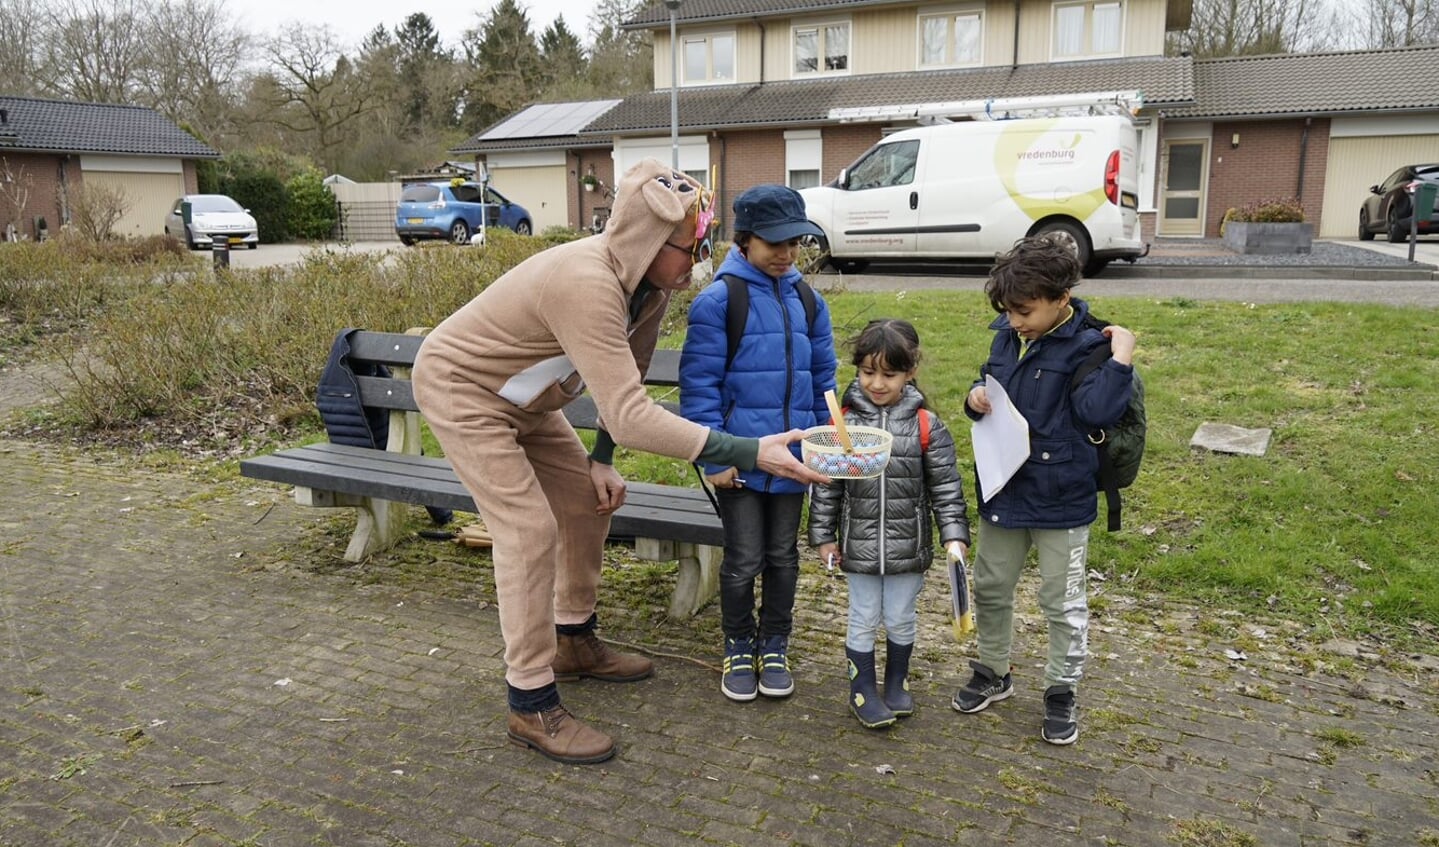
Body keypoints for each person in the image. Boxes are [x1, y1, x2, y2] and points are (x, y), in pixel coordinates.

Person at [411, 160, 829, 765]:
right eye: (691, 247)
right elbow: (635, 414)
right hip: (464, 391)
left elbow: (625, 383)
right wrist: (745, 450)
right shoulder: (586, 281)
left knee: (587, 499)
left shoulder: (651, 288)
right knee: (528, 531)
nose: (701, 258)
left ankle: (574, 641)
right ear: (647, 240)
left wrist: (602, 460)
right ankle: (530, 702)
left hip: (528, 401)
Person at [951, 235, 1136, 745]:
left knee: (1062, 601)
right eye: (1008, 311)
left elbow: (1098, 412)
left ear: (1062, 297)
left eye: (1025, 311)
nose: (1014, 321)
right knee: (990, 588)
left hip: (1062, 497)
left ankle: (1061, 689)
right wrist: (974, 398)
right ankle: (994, 670)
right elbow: (992, 387)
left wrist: (1121, 360)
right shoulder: (1006, 336)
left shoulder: (1093, 345)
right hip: (1005, 489)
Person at [679, 184, 838, 702]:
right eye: (775, 243)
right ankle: (738, 645)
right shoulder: (719, 301)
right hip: (739, 463)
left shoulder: (809, 301)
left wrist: (824, 444)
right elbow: (700, 387)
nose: (787, 254)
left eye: (795, 242)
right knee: (744, 559)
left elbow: (824, 382)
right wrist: (713, 456)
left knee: (783, 557)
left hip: (793, 462)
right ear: (744, 240)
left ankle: (775, 644)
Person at [807, 319, 970, 728]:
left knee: (900, 616)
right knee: (862, 617)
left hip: (907, 548)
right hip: (857, 546)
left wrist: (954, 536)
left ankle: (896, 682)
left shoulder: (926, 426)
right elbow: (828, 486)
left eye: (889, 374)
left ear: (910, 371)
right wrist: (824, 536)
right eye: (867, 372)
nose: (877, 383)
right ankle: (861, 688)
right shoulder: (840, 424)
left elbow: (946, 487)